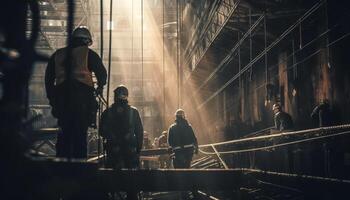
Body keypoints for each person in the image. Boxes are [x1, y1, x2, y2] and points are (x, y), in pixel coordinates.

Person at [45, 26, 107, 159]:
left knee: (64, 133)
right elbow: (102, 73)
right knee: (80, 135)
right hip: (82, 100)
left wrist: (52, 99)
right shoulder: (89, 54)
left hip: (62, 99)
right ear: (86, 40)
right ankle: (79, 169)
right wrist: (100, 86)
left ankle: (61, 165)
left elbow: (48, 78)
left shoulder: (58, 55)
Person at [100, 85, 143, 169]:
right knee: (130, 176)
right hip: (129, 149)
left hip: (113, 149)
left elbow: (102, 131)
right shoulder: (133, 112)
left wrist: (111, 137)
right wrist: (138, 149)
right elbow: (139, 132)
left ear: (115, 96)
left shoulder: (107, 112)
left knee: (113, 176)